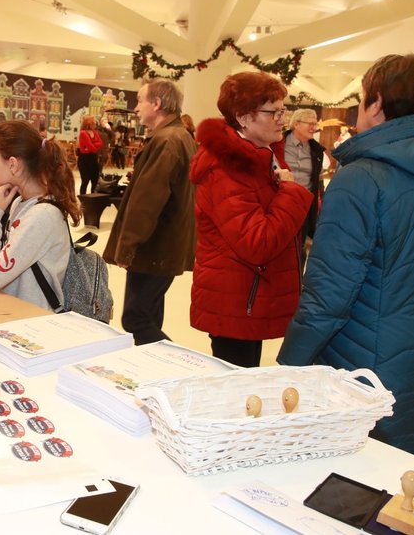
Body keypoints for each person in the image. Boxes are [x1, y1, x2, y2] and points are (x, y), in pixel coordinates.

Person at [278, 53, 414, 460]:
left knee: (349, 491)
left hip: (367, 368)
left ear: (376, 103)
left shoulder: (361, 177)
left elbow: (328, 295)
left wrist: (287, 367)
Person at [189, 72, 312, 367]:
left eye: (284, 111)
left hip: (247, 296)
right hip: (235, 300)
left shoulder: (260, 155)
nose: (282, 119)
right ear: (243, 118)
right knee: (235, 391)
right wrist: (291, 193)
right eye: (274, 112)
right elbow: (258, 241)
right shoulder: (227, 169)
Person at [102, 79, 196, 345]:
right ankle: (155, 372)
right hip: (165, 245)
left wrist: (128, 247)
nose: (136, 108)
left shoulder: (167, 141)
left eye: (140, 100)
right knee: (150, 316)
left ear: (157, 104)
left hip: (154, 247)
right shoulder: (178, 136)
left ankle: (180, 366)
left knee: (136, 319)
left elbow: (147, 202)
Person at [0, 120, 81, 307]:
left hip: (34, 324)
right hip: (15, 315)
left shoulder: (42, 216)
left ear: (13, 164)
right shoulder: (20, 203)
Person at [282, 108, 328, 272]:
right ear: (296, 124)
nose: (314, 127)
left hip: (304, 206)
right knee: (280, 244)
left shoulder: (316, 150)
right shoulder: (279, 143)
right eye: (310, 124)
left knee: (300, 245)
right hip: (280, 204)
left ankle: (297, 282)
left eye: (315, 124)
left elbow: (318, 179)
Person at [76, 115, 103, 195]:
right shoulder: (83, 133)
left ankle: (93, 198)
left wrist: (91, 145)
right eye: (93, 122)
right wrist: (93, 145)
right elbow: (92, 147)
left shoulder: (95, 132)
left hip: (93, 158)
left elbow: (101, 144)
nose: (95, 124)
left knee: (95, 180)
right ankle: (83, 199)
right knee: (85, 181)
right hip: (84, 159)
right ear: (88, 123)